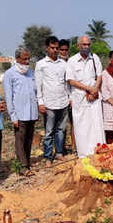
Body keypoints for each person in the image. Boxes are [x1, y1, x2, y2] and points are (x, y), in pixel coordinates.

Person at [66, 35, 105, 157]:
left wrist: (95, 89)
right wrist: (88, 89)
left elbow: (99, 76)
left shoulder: (94, 58)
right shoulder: (72, 61)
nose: (86, 47)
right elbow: (71, 80)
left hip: (94, 98)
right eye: (84, 44)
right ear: (78, 46)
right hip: (80, 98)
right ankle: (84, 154)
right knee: (82, 126)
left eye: (88, 44)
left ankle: (99, 150)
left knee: (96, 124)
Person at [3, 47, 38, 176]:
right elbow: (8, 96)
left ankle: (27, 162)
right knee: (20, 140)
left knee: (29, 139)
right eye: (24, 59)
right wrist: (13, 116)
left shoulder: (31, 73)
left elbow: (35, 91)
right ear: (17, 59)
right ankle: (22, 166)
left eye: (28, 59)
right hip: (19, 113)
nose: (27, 61)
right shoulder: (10, 74)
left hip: (31, 112)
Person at [35, 36, 69, 166]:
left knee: (61, 130)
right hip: (49, 103)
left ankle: (59, 153)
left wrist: (69, 98)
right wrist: (40, 102)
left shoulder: (63, 64)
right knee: (49, 131)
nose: (55, 50)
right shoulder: (41, 64)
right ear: (47, 48)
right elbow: (38, 85)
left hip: (63, 101)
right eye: (52, 48)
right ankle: (48, 156)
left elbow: (67, 83)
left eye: (56, 48)